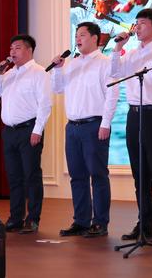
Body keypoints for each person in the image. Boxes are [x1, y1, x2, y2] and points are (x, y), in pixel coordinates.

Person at [111, 8, 152, 242]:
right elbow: (114, 72)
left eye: (142, 23)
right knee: (139, 173)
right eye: (136, 23)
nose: (137, 27)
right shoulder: (131, 54)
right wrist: (118, 48)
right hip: (134, 114)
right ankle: (144, 224)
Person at [51, 22, 119, 238]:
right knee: (77, 176)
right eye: (76, 35)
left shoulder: (105, 63)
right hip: (72, 126)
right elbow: (57, 89)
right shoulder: (72, 63)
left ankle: (100, 222)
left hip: (94, 125)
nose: (77, 39)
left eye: (82, 35)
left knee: (98, 175)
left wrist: (105, 123)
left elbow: (112, 95)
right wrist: (58, 69)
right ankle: (81, 221)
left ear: (95, 38)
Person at [0, 34, 52, 234]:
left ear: (29, 50)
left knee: (31, 176)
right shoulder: (8, 74)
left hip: (29, 129)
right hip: (9, 131)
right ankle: (15, 217)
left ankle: (33, 218)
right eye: (11, 48)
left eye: (17, 48)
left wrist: (37, 130)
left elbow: (45, 104)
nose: (12, 52)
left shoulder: (39, 72)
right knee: (14, 177)